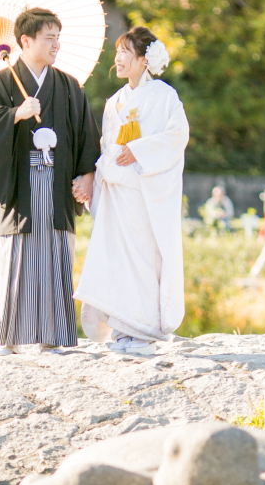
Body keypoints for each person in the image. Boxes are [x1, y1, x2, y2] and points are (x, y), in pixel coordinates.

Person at [0, 7, 100, 355]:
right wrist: (15, 114)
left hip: (57, 182)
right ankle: (8, 337)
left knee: (55, 253)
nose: (56, 44)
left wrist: (87, 176)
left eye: (58, 38)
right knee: (16, 255)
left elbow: (87, 137)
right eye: (49, 38)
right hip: (20, 184)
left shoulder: (69, 87)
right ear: (25, 41)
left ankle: (52, 335)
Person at [74, 25, 189, 356]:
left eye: (125, 52)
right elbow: (107, 145)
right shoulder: (115, 101)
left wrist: (139, 151)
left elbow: (176, 136)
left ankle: (143, 329)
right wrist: (92, 180)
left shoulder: (164, 96)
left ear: (143, 60)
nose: (118, 59)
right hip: (116, 193)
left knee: (142, 258)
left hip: (144, 194)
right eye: (117, 53)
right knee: (116, 259)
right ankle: (123, 330)